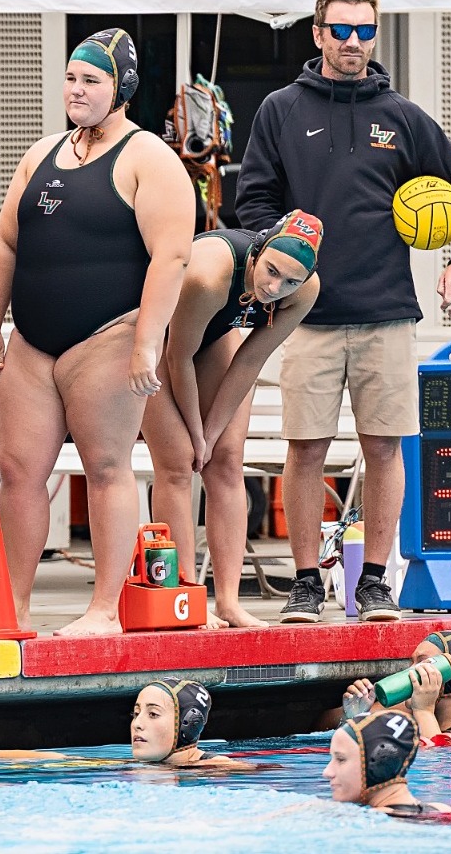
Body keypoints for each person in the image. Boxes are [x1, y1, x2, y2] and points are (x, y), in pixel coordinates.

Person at [236, 0, 451, 624]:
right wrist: (279, 245)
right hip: (306, 314)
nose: (353, 42)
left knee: (383, 450)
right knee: (306, 450)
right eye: (341, 30)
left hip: (387, 312)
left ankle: (374, 582)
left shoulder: (401, 116)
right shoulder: (280, 111)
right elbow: (252, 205)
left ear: (375, 35)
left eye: (365, 31)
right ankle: (303, 585)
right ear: (317, 34)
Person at [0, 29, 193, 636]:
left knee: (105, 465)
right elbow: (5, 245)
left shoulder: (149, 157)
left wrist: (148, 341)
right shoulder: (42, 153)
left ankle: (104, 608)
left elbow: (171, 258)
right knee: (17, 470)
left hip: (109, 335)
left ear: (120, 88)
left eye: (91, 80)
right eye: (72, 77)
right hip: (33, 342)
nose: (76, 89)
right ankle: (12, 608)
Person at [142, 210, 324, 629]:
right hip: (151, 337)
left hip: (212, 339)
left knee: (225, 462)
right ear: (259, 251)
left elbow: (250, 361)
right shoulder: (210, 276)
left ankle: (228, 601)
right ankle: (185, 595)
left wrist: (212, 433)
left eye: (289, 282)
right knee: (177, 462)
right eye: (272, 272)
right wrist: (196, 432)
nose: (274, 288)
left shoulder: (305, 290)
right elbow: (177, 357)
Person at [0, 679, 251, 769]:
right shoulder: (156, 765)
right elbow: (62, 760)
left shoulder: (219, 767)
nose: (137, 725)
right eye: (136, 712)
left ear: (187, 725)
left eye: (153, 714)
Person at [339, 630, 451, 738]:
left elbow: (436, 770)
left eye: (422, 662)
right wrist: (351, 718)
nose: (410, 671)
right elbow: (319, 726)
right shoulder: (405, 711)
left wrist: (424, 711)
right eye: (411, 663)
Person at [325, 710, 451, 819]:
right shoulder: (450, 813)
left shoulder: (359, 821)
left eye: (341, 759)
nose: (327, 772)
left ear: (377, 763)